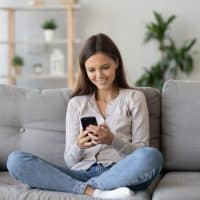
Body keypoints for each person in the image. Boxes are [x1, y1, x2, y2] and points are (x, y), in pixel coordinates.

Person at [7, 33, 163, 199]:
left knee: (152, 156)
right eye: (92, 70)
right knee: (16, 161)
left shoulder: (134, 98)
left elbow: (141, 150)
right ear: (84, 71)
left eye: (105, 67)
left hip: (120, 173)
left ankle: (87, 188)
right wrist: (79, 145)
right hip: (81, 173)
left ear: (116, 63)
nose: (99, 75)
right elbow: (70, 161)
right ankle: (96, 192)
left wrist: (112, 141)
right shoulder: (77, 104)